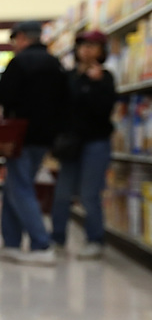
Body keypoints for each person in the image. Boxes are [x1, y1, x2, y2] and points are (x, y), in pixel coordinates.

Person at [0, 20, 67, 265]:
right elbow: (66, 100)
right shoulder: (56, 64)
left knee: (20, 187)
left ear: (22, 37)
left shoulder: (20, 62)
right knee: (14, 185)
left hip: (19, 135)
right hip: (44, 138)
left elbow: (2, 93)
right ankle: (11, 243)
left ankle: (41, 244)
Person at [50, 30, 117, 259]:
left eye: (92, 46)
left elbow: (104, 110)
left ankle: (95, 240)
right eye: (83, 46)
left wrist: (95, 85)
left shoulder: (105, 78)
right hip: (71, 144)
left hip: (95, 143)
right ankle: (57, 239)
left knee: (90, 194)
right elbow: (60, 108)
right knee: (62, 193)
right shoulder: (69, 77)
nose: (86, 50)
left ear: (101, 51)